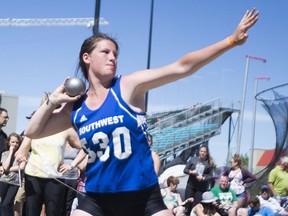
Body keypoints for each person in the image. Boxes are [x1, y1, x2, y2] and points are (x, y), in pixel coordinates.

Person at [21, 8, 259, 216]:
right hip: (97, 199)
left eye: (115, 54)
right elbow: (33, 131)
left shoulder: (128, 87)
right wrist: (53, 100)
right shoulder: (76, 107)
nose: (113, 57)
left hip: (143, 196)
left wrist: (230, 41)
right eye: (105, 52)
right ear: (86, 57)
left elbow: (181, 67)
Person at [15, 94, 87, 216]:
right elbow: (21, 151)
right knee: (32, 212)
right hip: (33, 176)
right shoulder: (34, 129)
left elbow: (86, 146)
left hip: (55, 177)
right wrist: (20, 156)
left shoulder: (66, 128)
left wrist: (72, 165)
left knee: (53, 213)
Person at [183, 145, 216, 214]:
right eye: (201, 151)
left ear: (207, 153)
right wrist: (191, 172)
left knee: (197, 206)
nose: (203, 153)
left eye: (204, 152)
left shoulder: (209, 163)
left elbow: (211, 175)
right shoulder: (193, 159)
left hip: (201, 189)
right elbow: (185, 170)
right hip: (191, 186)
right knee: (188, 205)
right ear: (199, 152)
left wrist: (203, 178)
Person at [0, 132, 25, 216]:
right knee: (4, 204)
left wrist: (7, 169)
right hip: (3, 181)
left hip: (15, 182)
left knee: (6, 204)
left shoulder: (22, 154)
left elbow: (21, 167)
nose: (15, 144)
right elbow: (5, 165)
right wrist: (10, 152)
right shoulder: (5, 154)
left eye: (17, 142)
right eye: (13, 142)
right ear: (8, 142)